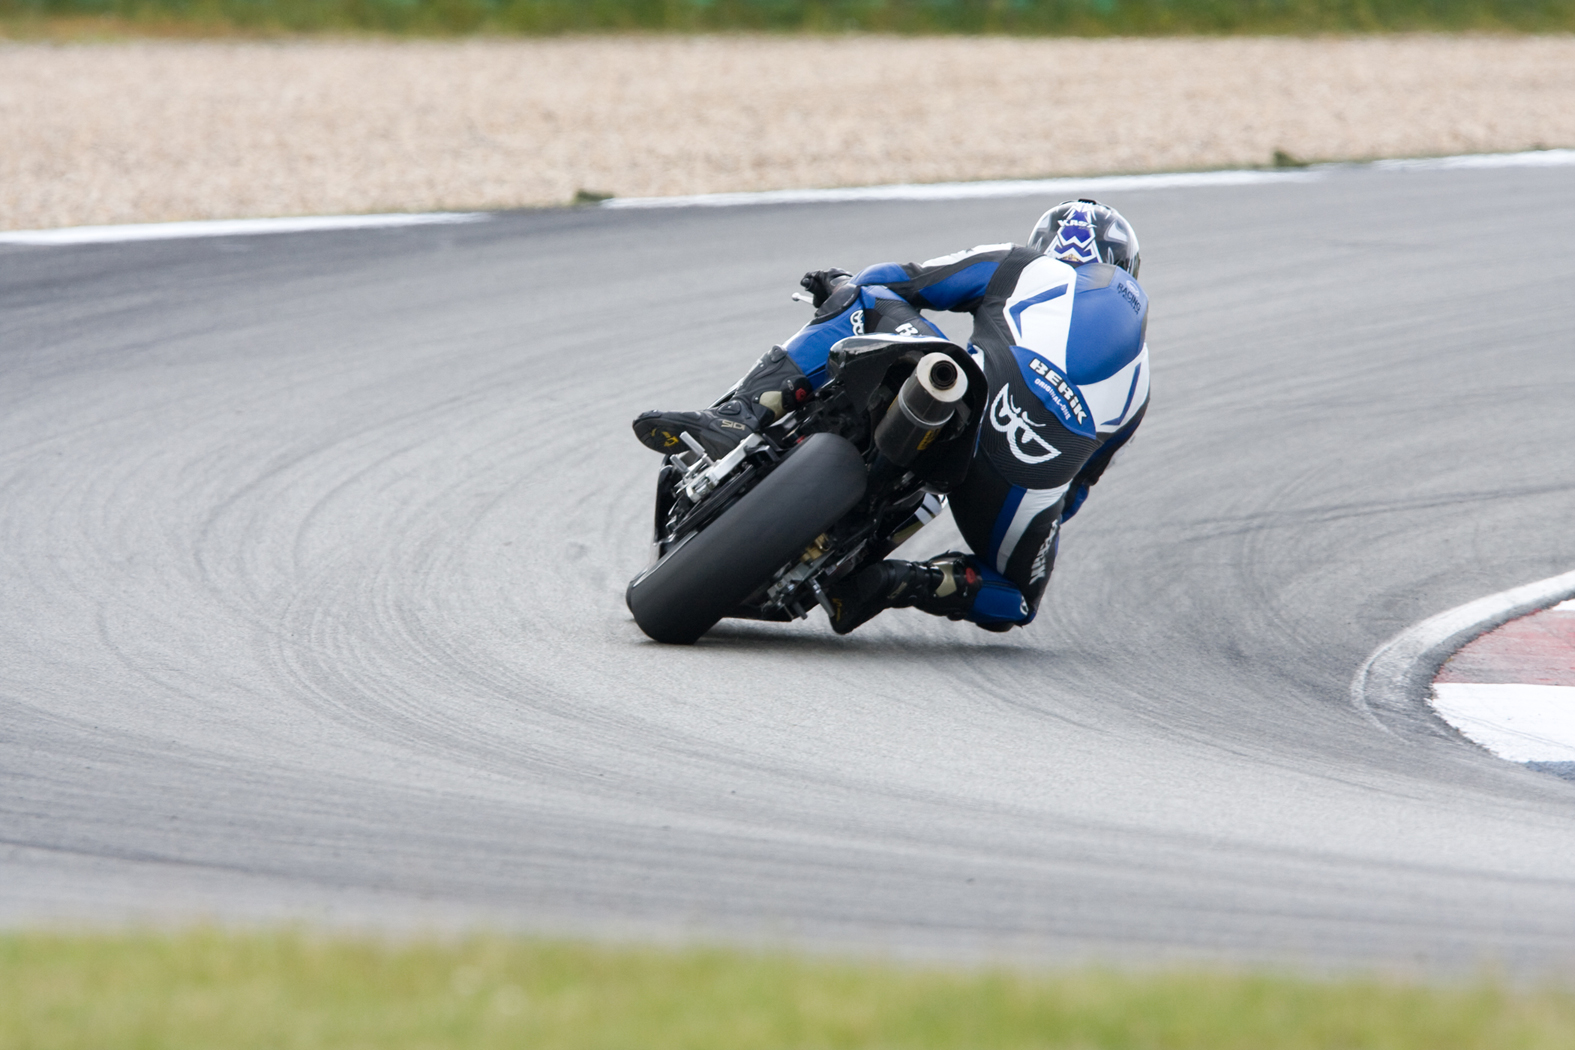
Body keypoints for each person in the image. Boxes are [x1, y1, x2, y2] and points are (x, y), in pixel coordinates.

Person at [632, 199, 1149, 635]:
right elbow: (1076, 490)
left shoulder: (1025, 264)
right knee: (1016, 597)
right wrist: (1029, 511)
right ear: (1126, 267)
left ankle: (738, 418)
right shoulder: (1140, 386)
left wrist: (839, 286)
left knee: (865, 298)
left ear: (1049, 243)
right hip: (1023, 479)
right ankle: (897, 583)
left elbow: (903, 280)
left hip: (974, 386)